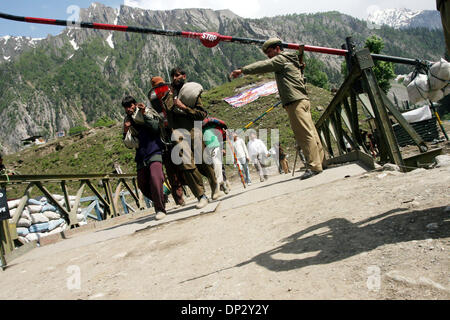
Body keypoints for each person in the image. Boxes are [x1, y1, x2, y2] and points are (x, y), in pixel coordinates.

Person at [230, 38, 326, 180]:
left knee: (304, 135)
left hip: (294, 101)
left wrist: (243, 70)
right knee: (312, 133)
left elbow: (264, 65)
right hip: (302, 99)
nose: (268, 55)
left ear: (277, 48)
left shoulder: (281, 59)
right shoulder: (291, 59)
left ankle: (314, 165)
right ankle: (321, 162)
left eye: (269, 52)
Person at [151, 73, 221, 209]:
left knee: (203, 163)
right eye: (173, 76)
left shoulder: (192, 93)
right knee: (186, 166)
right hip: (178, 134)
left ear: (184, 76)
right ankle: (201, 196)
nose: (176, 78)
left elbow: (201, 114)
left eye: (178, 75)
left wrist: (184, 107)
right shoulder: (164, 96)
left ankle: (215, 185)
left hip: (194, 130)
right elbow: (165, 113)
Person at [121, 95, 167, 220]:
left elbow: (155, 127)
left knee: (155, 178)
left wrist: (144, 113)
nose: (129, 109)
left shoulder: (146, 111)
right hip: (141, 154)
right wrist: (125, 130)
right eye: (126, 107)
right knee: (142, 184)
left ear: (134, 104)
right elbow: (128, 143)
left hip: (154, 149)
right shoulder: (127, 120)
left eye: (130, 106)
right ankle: (161, 198)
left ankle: (160, 208)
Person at [148, 77, 186, 207]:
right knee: (173, 169)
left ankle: (182, 196)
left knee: (177, 167)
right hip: (166, 139)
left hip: (172, 135)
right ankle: (180, 197)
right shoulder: (162, 99)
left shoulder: (163, 98)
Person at [202, 120, 230, 194]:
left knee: (217, 165)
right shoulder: (200, 129)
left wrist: (223, 131)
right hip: (207, 149)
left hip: (215, 146)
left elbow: (220, 133)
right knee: (216, 166)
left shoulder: (212, 126)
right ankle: (222, 184)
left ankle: (220, 183)